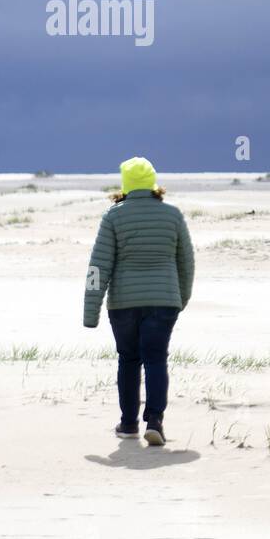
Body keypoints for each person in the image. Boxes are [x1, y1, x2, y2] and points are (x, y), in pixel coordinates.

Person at [83, 157, 194, 445]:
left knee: (129, 360)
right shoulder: (173, 215)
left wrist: (90, 310)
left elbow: (98, 267)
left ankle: (129, 423)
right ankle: (155, 420)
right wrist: (181, 297)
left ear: (126, 185)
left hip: (124, 304)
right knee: (156, 358)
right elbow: (187, 263)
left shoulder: (113, 216)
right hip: (164, 301)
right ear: (153, 184)